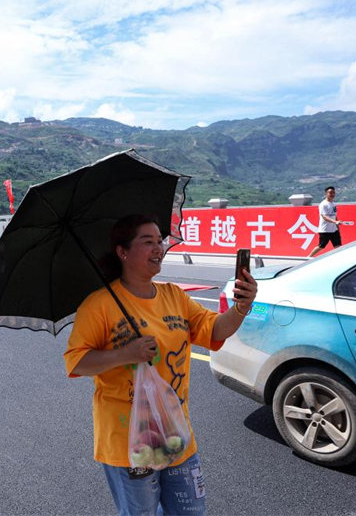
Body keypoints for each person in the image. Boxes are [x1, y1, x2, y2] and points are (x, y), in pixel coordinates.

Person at [64, 214, 257, 516]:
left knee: (191, 512)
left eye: (160, 241)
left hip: (175, 432)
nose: (159, 248)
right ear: (122, 252)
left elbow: (215, 330)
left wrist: (241, 308)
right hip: (128, 443)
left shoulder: (174, 296)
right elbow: (77, 361)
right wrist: (125, 353)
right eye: (147, 241)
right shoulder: (99, 304)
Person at [308, 186, 342, 257]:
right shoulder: (323, 204)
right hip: (324, 230)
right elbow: (324, 216)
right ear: (326, 194)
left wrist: (337, 227)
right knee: (321, 246)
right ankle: (308, 257)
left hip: (334, 230)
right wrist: (335, 222)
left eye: (333, 193)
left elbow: (335, 216)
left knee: (338, 246)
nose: (332, 194)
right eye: (330, 193)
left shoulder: (334, 204)